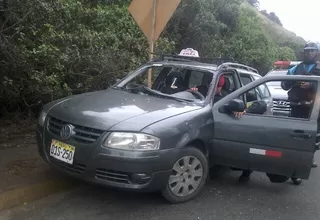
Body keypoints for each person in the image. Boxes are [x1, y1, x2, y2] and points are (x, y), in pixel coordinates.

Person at [281, 42, 320, 184]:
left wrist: (311, 85)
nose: (309, 53)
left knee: (314, 135)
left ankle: (311, 156)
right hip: (296, 106)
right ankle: (295, 163)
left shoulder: (319, 68)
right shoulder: (295, 68)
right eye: (307, 51)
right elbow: (284, 85)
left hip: (314, 108)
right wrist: (292, 81)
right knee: (296, 135)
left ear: (316, 53)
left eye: (312, 51)